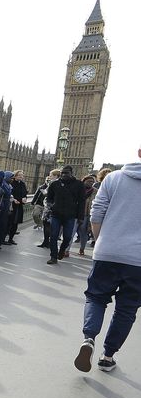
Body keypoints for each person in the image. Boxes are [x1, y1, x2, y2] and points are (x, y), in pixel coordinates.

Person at [74, 147, 141, 373]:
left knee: (96, 297)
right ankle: (108, 356)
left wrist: (101, 241)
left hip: (108, 251)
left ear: (139, 152)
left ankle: (88, 339)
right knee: (126, 309)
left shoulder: (113, 178)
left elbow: (96, 212)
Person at [45, 165, 85, 264]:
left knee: (67, 237)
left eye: (66, 173)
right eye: (62, 173)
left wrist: (80, 217)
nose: (63, 175)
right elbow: (49, 198)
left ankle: (62, 249)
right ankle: (53, 257)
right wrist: (51, 206)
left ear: (72, 173)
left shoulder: (79, 184)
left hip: (70, 215)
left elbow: (81, 202)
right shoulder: (55, 184)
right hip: (56, 214)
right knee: (53, 236)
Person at [34, 169, 61, 248]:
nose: (50, 176)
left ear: (56, 176)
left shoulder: (53, 183)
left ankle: (46, 242)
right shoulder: (60, 183)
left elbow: (47, 194)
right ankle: (49, 242)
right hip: (56, 207)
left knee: (46, 225)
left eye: (51, 175)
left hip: (49, 207)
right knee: (52, 226)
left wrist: (44, 192)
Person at [75, 175, 97, 256]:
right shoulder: (78, 189)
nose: (91, 183)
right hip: (75, 214)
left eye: (92, 182)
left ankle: (82, 248)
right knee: (71, 232)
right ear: (84, 181)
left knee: (83, 233)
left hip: (86, 215)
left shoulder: (96, 191)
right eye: (89, 181)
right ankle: (66, 250)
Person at [0, 171, 14, 247]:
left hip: (6, 206)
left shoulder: (8, 185)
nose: (12, 179)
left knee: (3, 225)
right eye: (11, 178)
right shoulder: (1, 184)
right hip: (1, 206)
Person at [7, 170, 28, 244]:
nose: (21, 177)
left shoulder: (22, 184)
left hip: (19, 206)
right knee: (9, 222)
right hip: (11, 206)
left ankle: (11, 239)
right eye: (20, 175)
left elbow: (25, 193)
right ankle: (4, 239)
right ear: (15, 176)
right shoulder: (11, 183)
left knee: (15, 223)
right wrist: (13, 200)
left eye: (22, 175)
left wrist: (24, 198)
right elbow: (9, 193)